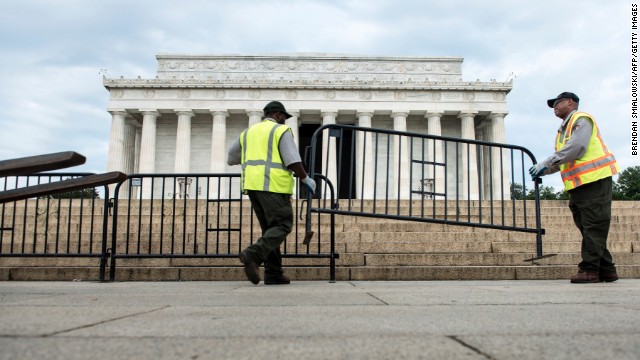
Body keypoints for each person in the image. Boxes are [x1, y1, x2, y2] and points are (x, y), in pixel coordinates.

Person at [529, 92, 620, 283]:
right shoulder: (563, 129)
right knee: (588, 228)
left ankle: (589, 270)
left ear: (570, 102)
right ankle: (606, 269)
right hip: (580, 185)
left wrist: (546, 161)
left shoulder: (580, 119)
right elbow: (564, 159)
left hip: (594, 180)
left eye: (557, 102)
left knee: (593, 226)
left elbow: (577, 148)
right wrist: (544, 170)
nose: (554, 106)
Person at [227, 101, 316, 285]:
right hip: (273, 186)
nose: (285, 121)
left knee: (270, 229)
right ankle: (253, 254)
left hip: (252, 186)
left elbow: (231, 158)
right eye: (284, 117)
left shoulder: (248, 132)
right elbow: (292, 160)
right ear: (277, 114)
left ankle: (273, 273)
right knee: (283, 225)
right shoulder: (280, 131)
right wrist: (305, 179)